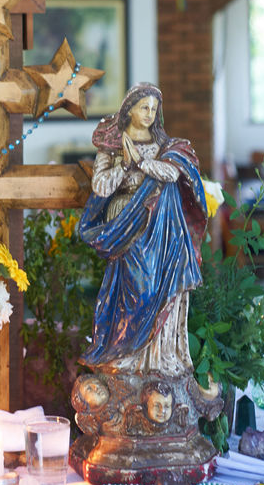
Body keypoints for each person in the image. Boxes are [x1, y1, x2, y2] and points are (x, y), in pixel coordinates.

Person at [78, 83, 208, 376]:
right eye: (144, 107)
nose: (149, 114)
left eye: (154, 109)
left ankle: (155, 360)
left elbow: (171, 173)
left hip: (159, 226)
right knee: (136, 290)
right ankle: (126, 357)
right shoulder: (112, 144)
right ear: (129, 110)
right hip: (125, 221)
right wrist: (124, 166)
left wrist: (140, 161)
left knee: (155, 289)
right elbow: (100, 186)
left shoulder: (165, 145)